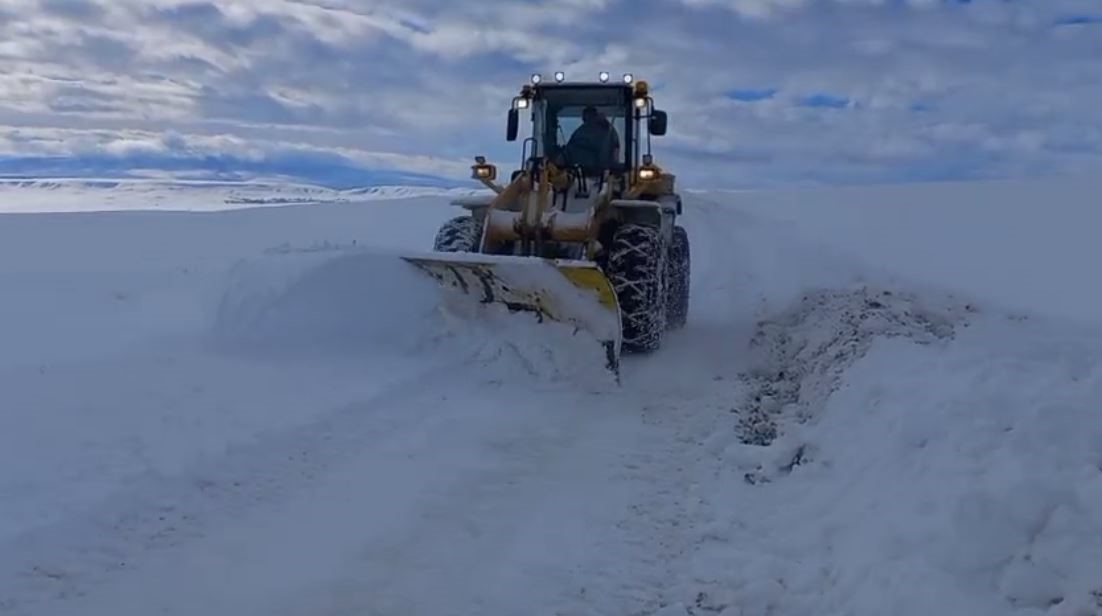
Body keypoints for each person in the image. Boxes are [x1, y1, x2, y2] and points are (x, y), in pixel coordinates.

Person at [564, 105, 620, 174]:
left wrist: (606, 123)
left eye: (592, 117)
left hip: (604, 174)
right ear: (583, 119)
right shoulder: (578, 134)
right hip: (578, 175)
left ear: (596, 118)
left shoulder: (608, 133)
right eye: (587, 118)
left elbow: (615, 148)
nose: (590, 121)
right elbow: (568, 151)